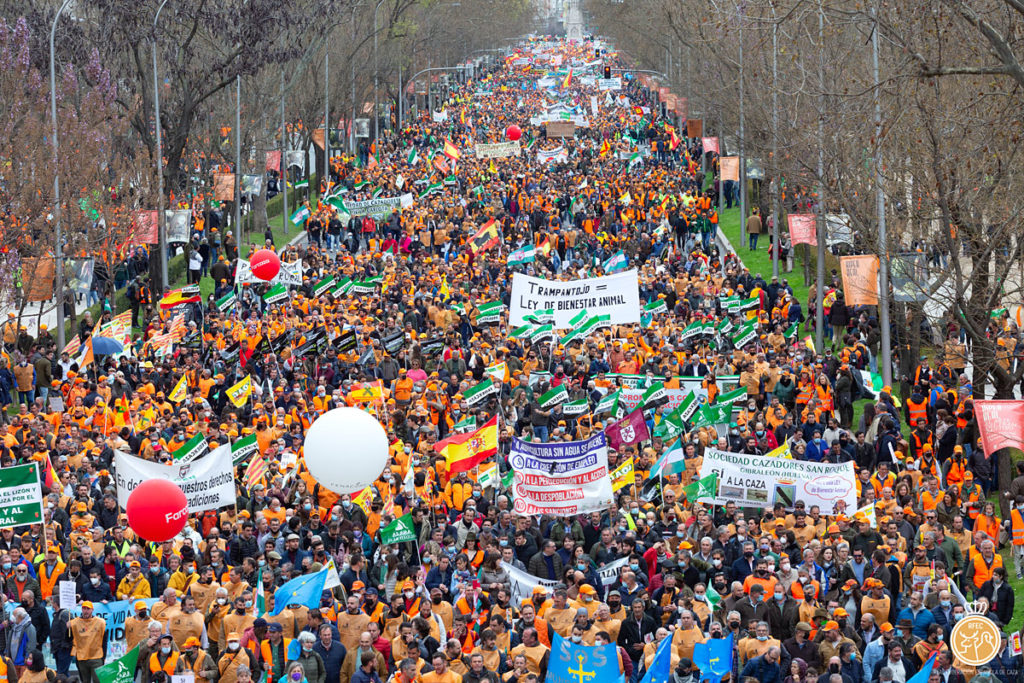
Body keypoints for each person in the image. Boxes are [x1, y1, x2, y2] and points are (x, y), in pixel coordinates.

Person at [69, 601, 106, 683]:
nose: (86, 611)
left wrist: (103, 657)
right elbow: (68, 638)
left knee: (98, 681)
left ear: (92, 610)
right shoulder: (74, 622)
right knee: (85, 681)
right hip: (81, 657)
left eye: (88, 609)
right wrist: (67, 628)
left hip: (96, 657)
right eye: (84, 608)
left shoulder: (100, 622)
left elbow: (104, 640)